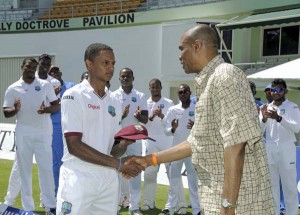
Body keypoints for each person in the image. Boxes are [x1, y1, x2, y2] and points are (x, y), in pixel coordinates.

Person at [127, 24, 275, 215]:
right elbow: (195, 143)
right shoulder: (209, 82)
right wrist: (149, 159)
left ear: (197, 46)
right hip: (217, 200)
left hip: (241, 205)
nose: (180, 56)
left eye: (182, 49)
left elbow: (236, 144)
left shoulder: (225, 76)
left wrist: (228, 207)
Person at [56, 43, 143, 215]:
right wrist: (119, 164)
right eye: (105, 63)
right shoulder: (74, 95)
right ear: (89, 64)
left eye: (113, 63)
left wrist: (123, 144)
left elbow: (111, 151)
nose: (111, 67)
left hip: (108, 179)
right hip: (79, 176)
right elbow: (74, 146)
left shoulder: (115, 102)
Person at [3, 57, 59, 214]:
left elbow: (56, 106)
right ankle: (28, 208)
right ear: (22, 67)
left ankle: (50, 206)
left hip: (43, 134)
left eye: (34, 67)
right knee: (24, 171)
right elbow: (6, 112)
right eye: (28, 66)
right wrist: (15, 109)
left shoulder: (45, 85)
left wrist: (46, 110)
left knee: (46, 170)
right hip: (23, 135)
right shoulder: (13, 88)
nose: (31, 69)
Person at [141, 79, 186, 213]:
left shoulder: (169, 103)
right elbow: (144, 125)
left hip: (167, 143)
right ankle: (148, 203)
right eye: (152, 87)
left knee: (173, 174)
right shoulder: (146, 103)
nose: (154, 89)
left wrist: (161, 116)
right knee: (150, 174)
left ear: (161, 88)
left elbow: (172, 124)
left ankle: (180, 204)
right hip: (152, 143)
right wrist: (151, 117)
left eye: (156, 87)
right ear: (149, 88)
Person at [260, 78, 300, 215]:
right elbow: (259, 131)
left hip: (286, 148)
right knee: (272, 187)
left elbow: (296, 128)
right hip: (270, 148)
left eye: (279, 90)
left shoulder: (292, 107)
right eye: (273, 90)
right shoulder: (266, 108)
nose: (276, 93)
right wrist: (263, 119)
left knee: (289, 187)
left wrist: (279, 118)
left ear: (285, 91)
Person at [112, 68, 148, 215]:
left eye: (128, 76)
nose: (125, 78)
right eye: (123, 76)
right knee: (115, 172)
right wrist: (123, 115)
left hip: (135, 140)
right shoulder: (113, 95)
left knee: (135, 172)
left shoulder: (140, 96)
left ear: (133, 77)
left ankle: (134, 207)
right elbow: (111, 119)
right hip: (118, 140)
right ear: (119, 78)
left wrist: (138, 116)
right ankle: (115, 205)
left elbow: (145, 119)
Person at [161, 84, 201, 215]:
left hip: (191, 150)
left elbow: (203, 130)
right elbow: (167, 132)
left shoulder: (197, 108)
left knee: (193, 182)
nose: (182, 94)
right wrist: (172, 128)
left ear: (189, 93)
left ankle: (196, 209)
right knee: (173, 181)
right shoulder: (173, 109)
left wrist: (196, 126)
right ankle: (170, 208)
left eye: (184, 92)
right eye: (180, 92)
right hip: (176, 150)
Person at [48, 66, 75, 196]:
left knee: (73, 160)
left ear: (61, 73)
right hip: (55, 129)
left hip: (72, 128)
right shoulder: (47, 88)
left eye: (56, 71)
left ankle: (70, 190)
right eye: (51, 73)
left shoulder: (71, 86)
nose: (54, 74)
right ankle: (57, 192)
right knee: (57, 161)